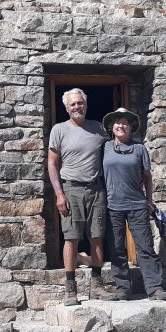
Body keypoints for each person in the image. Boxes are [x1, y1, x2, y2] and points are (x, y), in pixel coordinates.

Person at [48, 88, 118, 305]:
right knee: (71, 238)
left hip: (97, 189)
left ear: (86, 105)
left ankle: (96, 286)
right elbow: (52, 163)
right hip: (71, 190)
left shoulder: (98, 128)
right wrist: (59, 194)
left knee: (97, 236)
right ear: (67, 108)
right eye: (73, 104)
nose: (77, 107)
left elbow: (116, 148)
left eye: (80, 103)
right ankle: (71, 290)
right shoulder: (59, 130)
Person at [102, 107, 166, 301]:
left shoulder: (140, 149)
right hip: (112, 204)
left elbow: (147, 177)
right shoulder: (105, 148)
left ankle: (154, 288)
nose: (121, 125)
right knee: (116, 248)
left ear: (130, 127)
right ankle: (122, 288)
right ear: (111, 127)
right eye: (117, 122)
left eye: (125, 122)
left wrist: (149, 200)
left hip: (136, 204)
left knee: (145, 247)